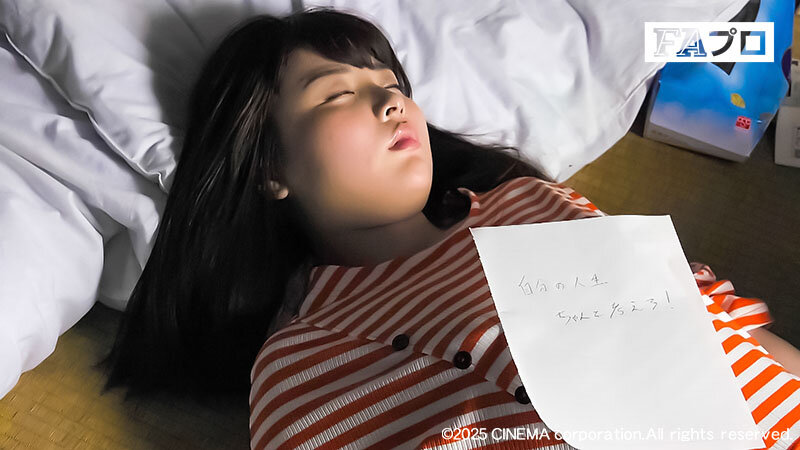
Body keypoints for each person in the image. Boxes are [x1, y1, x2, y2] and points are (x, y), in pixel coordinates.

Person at [99, 7, 800, 449]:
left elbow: (723, 325)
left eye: (392, 85)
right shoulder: (301, 364)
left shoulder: (530, 203)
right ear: (268, 167)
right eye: (338, 93)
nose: (391, 103)